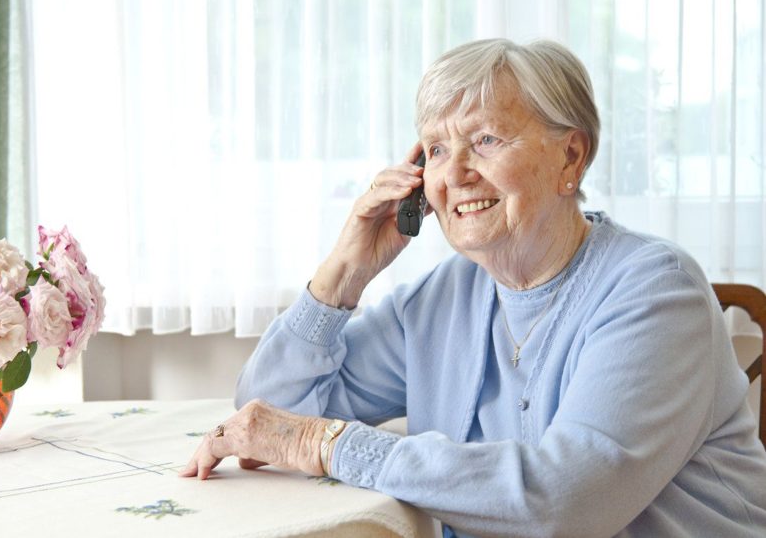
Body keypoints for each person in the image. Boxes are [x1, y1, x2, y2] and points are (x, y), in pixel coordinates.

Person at [181, 38, 766, 537]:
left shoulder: (658, 294)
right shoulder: (445, 297)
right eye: (435, 149)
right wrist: (345, 271)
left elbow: (565, 503)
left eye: (485, 139)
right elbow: (271, 413)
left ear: (571, 156)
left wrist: (326, 443)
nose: (454, 172)